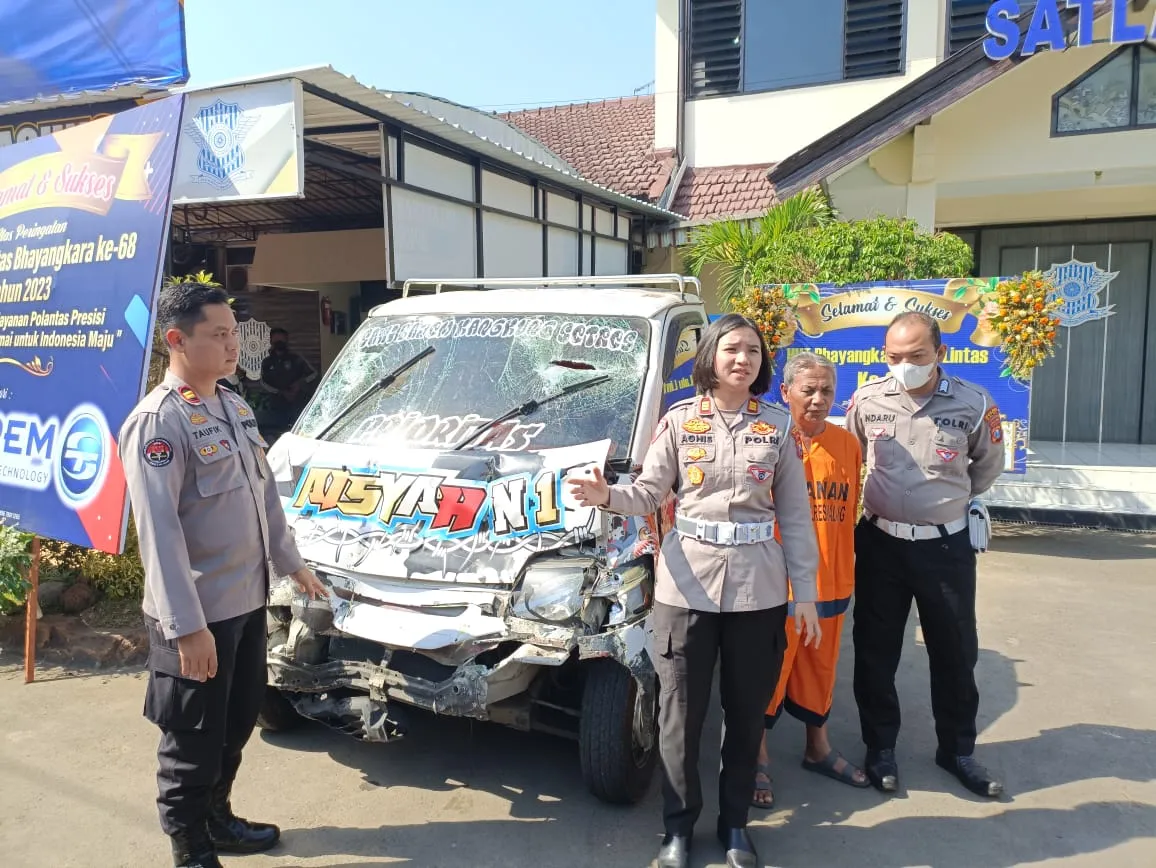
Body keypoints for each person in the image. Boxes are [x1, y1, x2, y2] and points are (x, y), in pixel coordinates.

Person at [567, 314, 822, 868]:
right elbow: (647, 494)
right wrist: (606, 495)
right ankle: (678, 828)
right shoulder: (681, 422)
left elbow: (797, 518)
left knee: (746, 713)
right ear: (711, 356)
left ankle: (735, 826)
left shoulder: (777, 428)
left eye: (753, 351)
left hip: (758, 589)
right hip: (686, 588)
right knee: (680, 714)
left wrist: (805, 593)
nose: (743, 359)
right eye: (732, 349)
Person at [119, 281, 327, 868]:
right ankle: (190, 848)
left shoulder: (233, 406)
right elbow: (159, 535)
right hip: (197, 614)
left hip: (245, 602)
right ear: (177, 340)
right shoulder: (159, 423)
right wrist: (187, 629)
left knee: (235, 725)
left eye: (234, 333)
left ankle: (219, 819)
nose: (234, 345)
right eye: (219, 334)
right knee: (193, 738)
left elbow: (264, 498)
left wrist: (291, 562)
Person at [845, 310, 1006, 799]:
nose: (905, 366)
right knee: (875, 652)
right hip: (880, 544)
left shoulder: (973, 403)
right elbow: (852, 455)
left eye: (916, 355)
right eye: (894, 357)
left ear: (941, 352)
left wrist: (943, 503)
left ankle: (957, 751)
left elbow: (986, 467)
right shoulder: (867, 400)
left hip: (945, 548)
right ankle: (880, 748)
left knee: (955, 652)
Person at [753, 351, 868, 809]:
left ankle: (817, 748)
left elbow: (849, 512)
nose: (819, 399)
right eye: (809, 390)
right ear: (785, 392)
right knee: (769, 673)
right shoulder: (769, 443)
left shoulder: (848, 445)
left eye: (827, 390)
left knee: (821, 672)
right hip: (779, 588)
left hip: (832, 584)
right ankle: (756, 757)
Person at [260, 327, 316, 427]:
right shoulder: (267, 362)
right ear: (271, 341)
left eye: (281, 340)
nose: (279, 342)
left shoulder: (297, 359)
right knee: (278, 430)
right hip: (277, 405)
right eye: (276, 340)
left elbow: (313, 374)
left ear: (286, 340)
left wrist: (300, 383)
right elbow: (263, 382)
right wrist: (280, 392)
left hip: (298, 403)